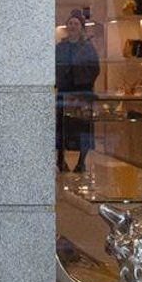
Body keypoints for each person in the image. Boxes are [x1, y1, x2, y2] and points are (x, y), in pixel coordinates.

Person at [55, 13, 101, 173]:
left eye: (76, 24)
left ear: (81, 27)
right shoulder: (60, 47)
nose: (72, 26)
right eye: (70, 23)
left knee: (83, 127)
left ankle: (81, 162)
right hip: (64, 92)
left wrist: (81, 78)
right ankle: (60, 160)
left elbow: (95, 69)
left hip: (82, 92)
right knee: (62, 128)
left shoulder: (88, 48)